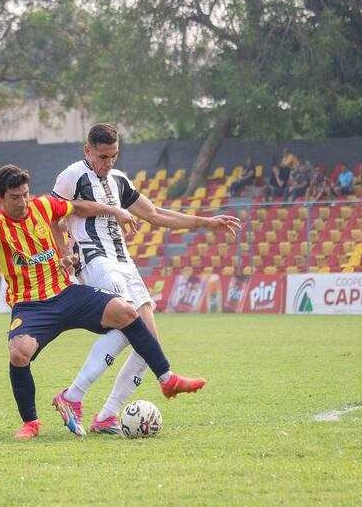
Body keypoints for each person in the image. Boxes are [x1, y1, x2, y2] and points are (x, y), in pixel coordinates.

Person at [0, 164, 206, 439]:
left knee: (126, 310)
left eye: (25, 194)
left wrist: (113, 212)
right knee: (19, 353)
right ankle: (31, 423)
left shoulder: (43, 206)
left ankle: (167, 379)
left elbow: (78, 207)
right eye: (15, 198)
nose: (23, 202)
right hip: (31, 306)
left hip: (66, 293)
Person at [50, 123, 241, 435]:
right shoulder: (73, 175)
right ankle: (74, 396)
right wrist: (63, 253)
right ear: (88, 151)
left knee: (148, 342)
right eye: (102, 156)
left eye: (113, 156)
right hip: (95, 260)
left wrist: (205, 222)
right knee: (128, 319)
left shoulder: (119, 179)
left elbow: (155, 214)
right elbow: (53, 216)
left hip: (125, 263)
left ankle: (107, 416)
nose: (108, 162)